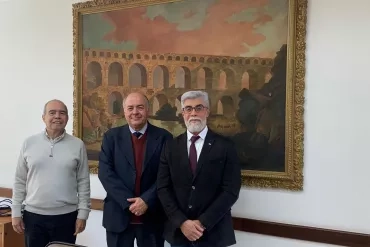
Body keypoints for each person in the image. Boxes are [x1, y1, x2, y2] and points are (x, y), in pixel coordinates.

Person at [157, 91, 241, 247]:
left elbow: (231, 190)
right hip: (179, 233)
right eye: (188, 109)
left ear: (207, 111)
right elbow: (163, 188)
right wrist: (182, 222)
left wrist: (202, 223)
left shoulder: (225, 146)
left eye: (198, 108)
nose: (193, 113)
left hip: (213, 233)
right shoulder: (170, 147)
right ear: (183, 113)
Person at [11, 99, 91, 247]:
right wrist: (15, 211)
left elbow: (83, 182)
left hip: (66, 218)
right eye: (52, 113)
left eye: (62, 113)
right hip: (33, 217)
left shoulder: (77, 145)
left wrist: (83, 214)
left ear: (67, 118)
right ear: (43, 117)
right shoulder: (29, 143)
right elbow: (19, 180)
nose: (57, 116)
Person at [98, 92, 173, 247]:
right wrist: (130, 203)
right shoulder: (111, 137)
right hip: (118, 215)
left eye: (140, 107)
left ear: (148, 110)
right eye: (130, 108)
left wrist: (147, 200)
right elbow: (105, 173)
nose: (135, 112)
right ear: (124, 111)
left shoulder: (165, 137)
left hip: (152, 217)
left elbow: (167, 175)